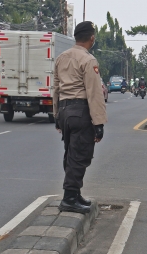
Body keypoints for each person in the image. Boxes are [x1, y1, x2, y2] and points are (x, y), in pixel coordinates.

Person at [52, 21, 107, 214]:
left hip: (66, 111)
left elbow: (56, 88)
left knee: (71, 153)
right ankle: (69, 199)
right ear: (92, 38)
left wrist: (56, 115)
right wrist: (99, 122)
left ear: (76, 37)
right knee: (80, 154)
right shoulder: (88, 60)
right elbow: (94, 93)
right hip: (80, 110)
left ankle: (74, 194)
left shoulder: (61, 57)